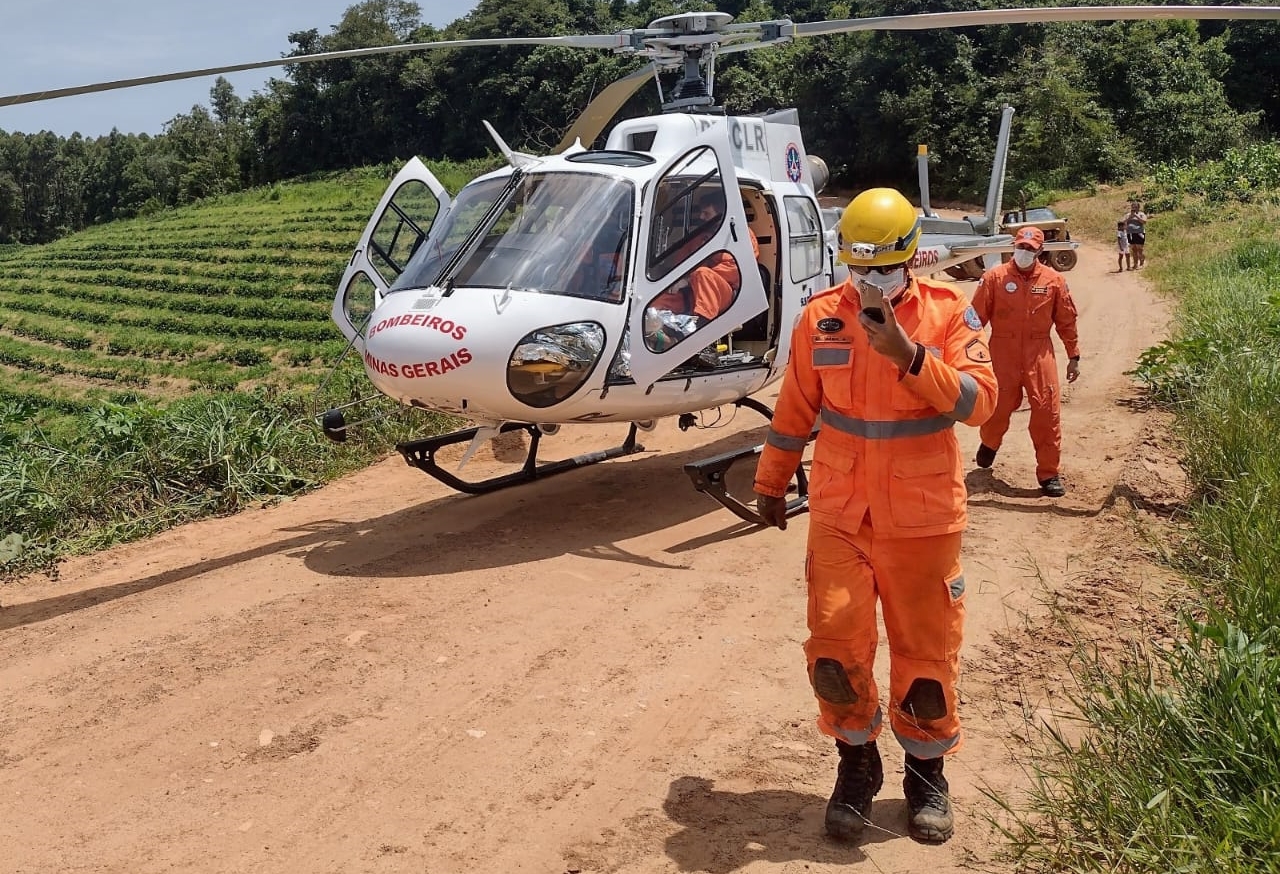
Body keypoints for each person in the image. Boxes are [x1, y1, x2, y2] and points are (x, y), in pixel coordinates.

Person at [753, 188, 997, 844]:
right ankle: (857, 764)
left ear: (912, 258)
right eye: (860, 268)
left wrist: (908, 356)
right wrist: (771, 481)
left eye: (884, 268)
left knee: (926, 654)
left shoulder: (950, 315)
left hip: (921, 519)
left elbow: (980, 404)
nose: (871, 281)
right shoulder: (820, 319)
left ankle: (926, 774)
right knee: (834, 647)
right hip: (838, 513)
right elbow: (795, 410)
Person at [971, 226, 1080, 497]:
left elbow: (1066, 320)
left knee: (1047, 412)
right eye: (1021, 247)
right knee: (997, 407)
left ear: (1040, 251)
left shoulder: (1054, 281)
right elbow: (974, 320)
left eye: (1030, 249)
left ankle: (1049, 473)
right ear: (1013, 246)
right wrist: (966, 353)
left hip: (1039, 352)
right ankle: (989, 443)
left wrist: (1073, 355)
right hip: (1002, 352)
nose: (1024, 252)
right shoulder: (994, 278)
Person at [1123, 200, 1147, 268]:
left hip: (1139, 233)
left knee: (1140, 249)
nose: (1134, 208)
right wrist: (1130, 217)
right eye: (1133, 207)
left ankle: (1142, 261)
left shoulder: (1141, 214)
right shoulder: (1128, 215)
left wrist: (1136, 216)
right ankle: (1135, 264)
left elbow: (1144, 221)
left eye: (1135, 207)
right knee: (1133, 249)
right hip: (1130, 233)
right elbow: (1123, 222)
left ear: (1138, 208)